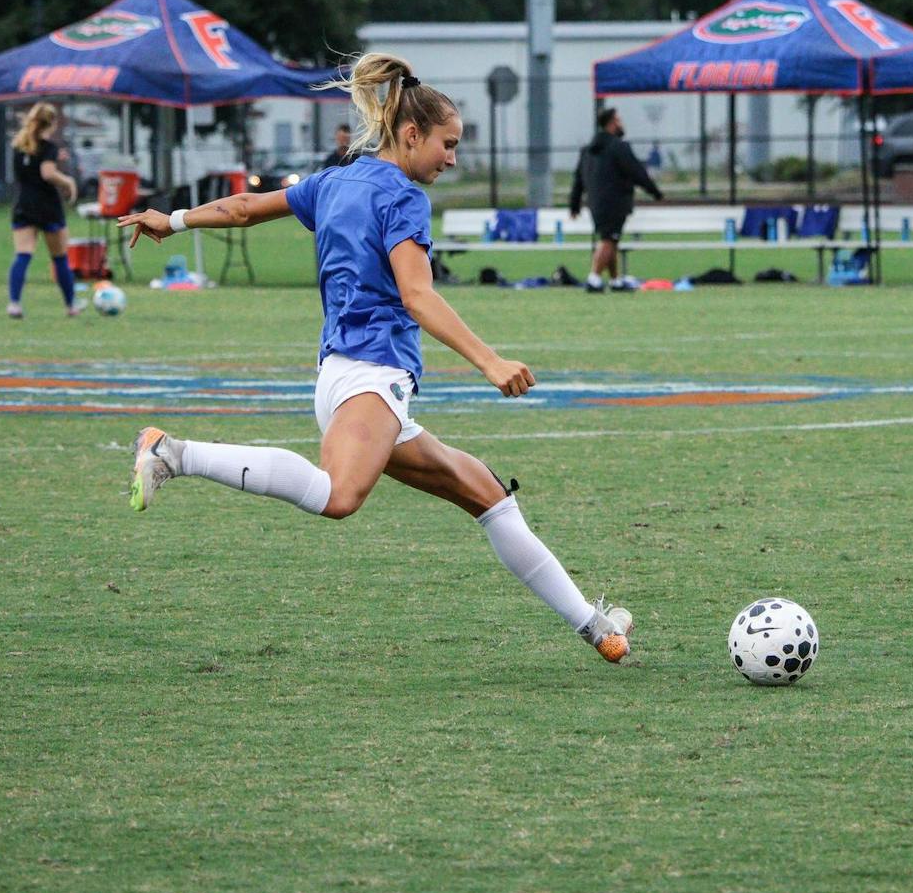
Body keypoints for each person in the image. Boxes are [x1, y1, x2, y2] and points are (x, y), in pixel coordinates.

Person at [117, 52, 633, 664]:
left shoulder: (336, 181)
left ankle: (596, 628)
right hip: (371, 377)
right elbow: (418, 295)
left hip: (343, 379)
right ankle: (174, 452)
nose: (452, 157)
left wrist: (170, 219)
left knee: (488, 494)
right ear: (411, 134)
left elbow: (244, 209)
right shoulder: (403, 198)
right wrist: (489, 361)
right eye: (447, 143)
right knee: (338, 496)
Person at [569, 107, 664, 292]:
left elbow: (578, 179)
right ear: (611, 123)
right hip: (615, 202)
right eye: (619, 120)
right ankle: (594, 278)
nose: (621, 124)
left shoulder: (588, 150)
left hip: (595, 203)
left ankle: (615, 280)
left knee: (611, 239)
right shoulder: (618, 147)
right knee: (608, 240)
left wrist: (575, 205)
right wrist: (655, 192)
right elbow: (637, 172)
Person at [6, 102, 80, 318]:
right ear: (53, 123)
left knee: (23, 255)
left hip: (23, 204)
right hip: (47, 206)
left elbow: (28, 170)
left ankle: (14, 303)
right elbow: (47, 173)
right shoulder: (49, 147)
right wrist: (68, 182)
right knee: (59, 257)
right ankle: (71, 305)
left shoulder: (19, 144)